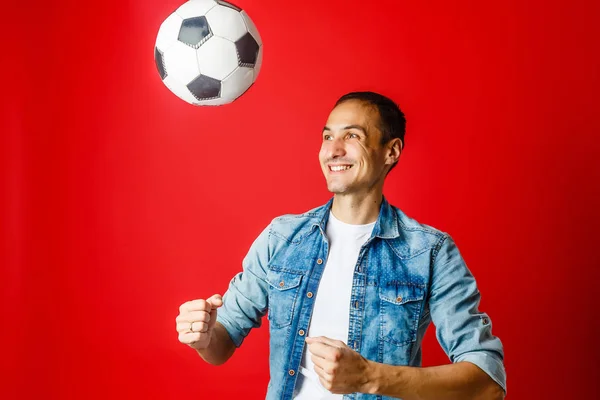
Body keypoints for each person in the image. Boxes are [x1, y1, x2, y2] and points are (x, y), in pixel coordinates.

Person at [175, 92, 506, 400]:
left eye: (352, 136)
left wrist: (369, 377)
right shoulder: (282, 238)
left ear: (391, 151)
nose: (333, 150)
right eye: (327, 136)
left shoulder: (430, 252)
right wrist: (204, 337)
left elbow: (488, 383)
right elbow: (222, 342)